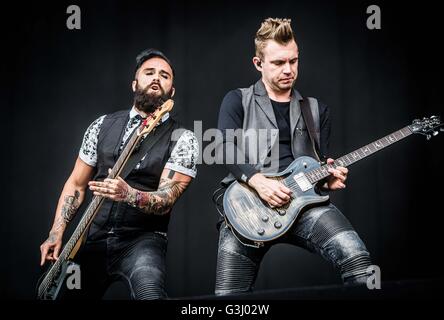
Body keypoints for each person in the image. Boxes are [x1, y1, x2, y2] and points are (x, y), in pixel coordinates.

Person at [214, 18, 372, 295]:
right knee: (229, 298)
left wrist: (326, 180)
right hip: (247, 206)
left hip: (304, 206)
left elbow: (314, 165)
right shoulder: (237, 99)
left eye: (293, 61)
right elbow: (224, 148)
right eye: (278, 63)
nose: (288, 70)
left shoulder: (316, 110)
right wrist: (259, 181)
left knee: (358, 260)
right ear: (258, 63)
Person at [39, 48, 199, 299]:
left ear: (172, 92)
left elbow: (167, 199)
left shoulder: (183, 139)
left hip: (141, 241)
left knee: (150, 295)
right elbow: (77, 185)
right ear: (135, 83)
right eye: (149, 72)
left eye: (165, 75)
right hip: (92, 238)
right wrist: (56, 232)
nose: (157, 77)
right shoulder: (101, 125)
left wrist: (130, 194)